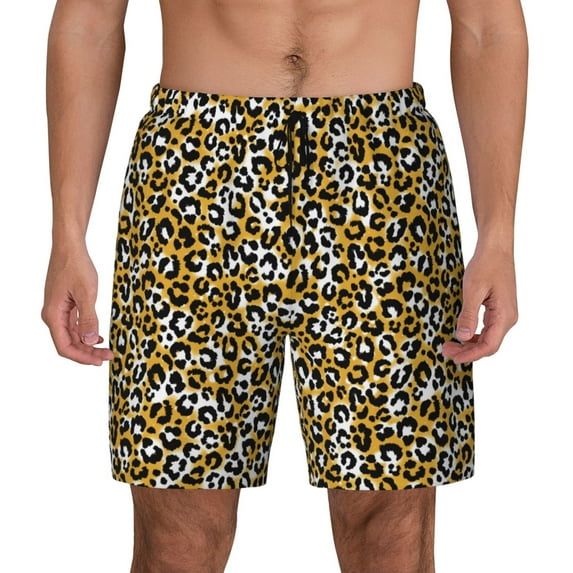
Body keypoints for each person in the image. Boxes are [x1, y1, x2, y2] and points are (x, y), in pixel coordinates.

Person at [42, 0, 527, 571]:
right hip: (194, 178)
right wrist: (67, 235)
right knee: (177, 535)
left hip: (385, 183)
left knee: (390, 527)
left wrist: (498, 236)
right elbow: (89, 23)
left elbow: (487, 25)